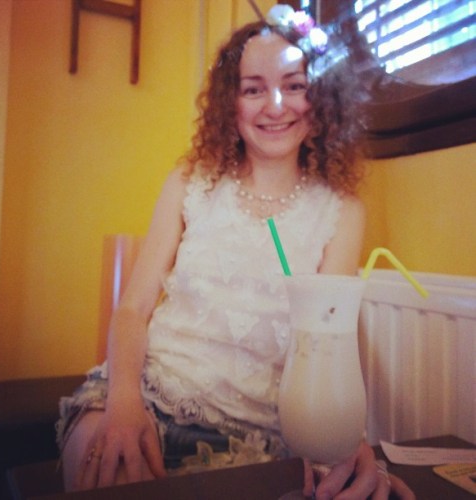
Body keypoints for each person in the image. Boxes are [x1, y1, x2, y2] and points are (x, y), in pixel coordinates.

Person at [57, 4, 414, 499]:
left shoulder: (342, 210)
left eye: (294, 85)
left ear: (321, 98)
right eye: (253, 89)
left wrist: (345, 442)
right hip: (145, 397)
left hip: (264, 435)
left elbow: (328, 345)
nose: (275, 106)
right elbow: (133, 309)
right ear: (232, 103)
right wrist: (122, 403)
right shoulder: (191, 181)